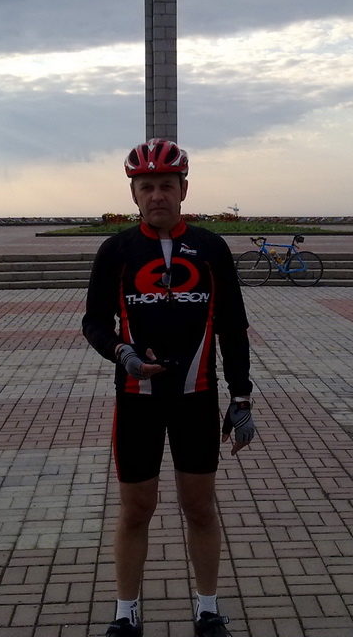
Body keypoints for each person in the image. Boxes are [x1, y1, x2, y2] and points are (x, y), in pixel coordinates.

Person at [82, 138, 256, 637]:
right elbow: (94, 323)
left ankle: (208, 609)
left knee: (199, 507)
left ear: (183, 189)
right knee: (136, 509)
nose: (156, 195)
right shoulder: (116, 251)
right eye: (146, 187)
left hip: (196, 399)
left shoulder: (212, 249)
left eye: (166, 185)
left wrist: (241, 397)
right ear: (134, 194)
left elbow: (233, 327)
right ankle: (126, 614)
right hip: (136, 402)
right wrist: (123, 353)